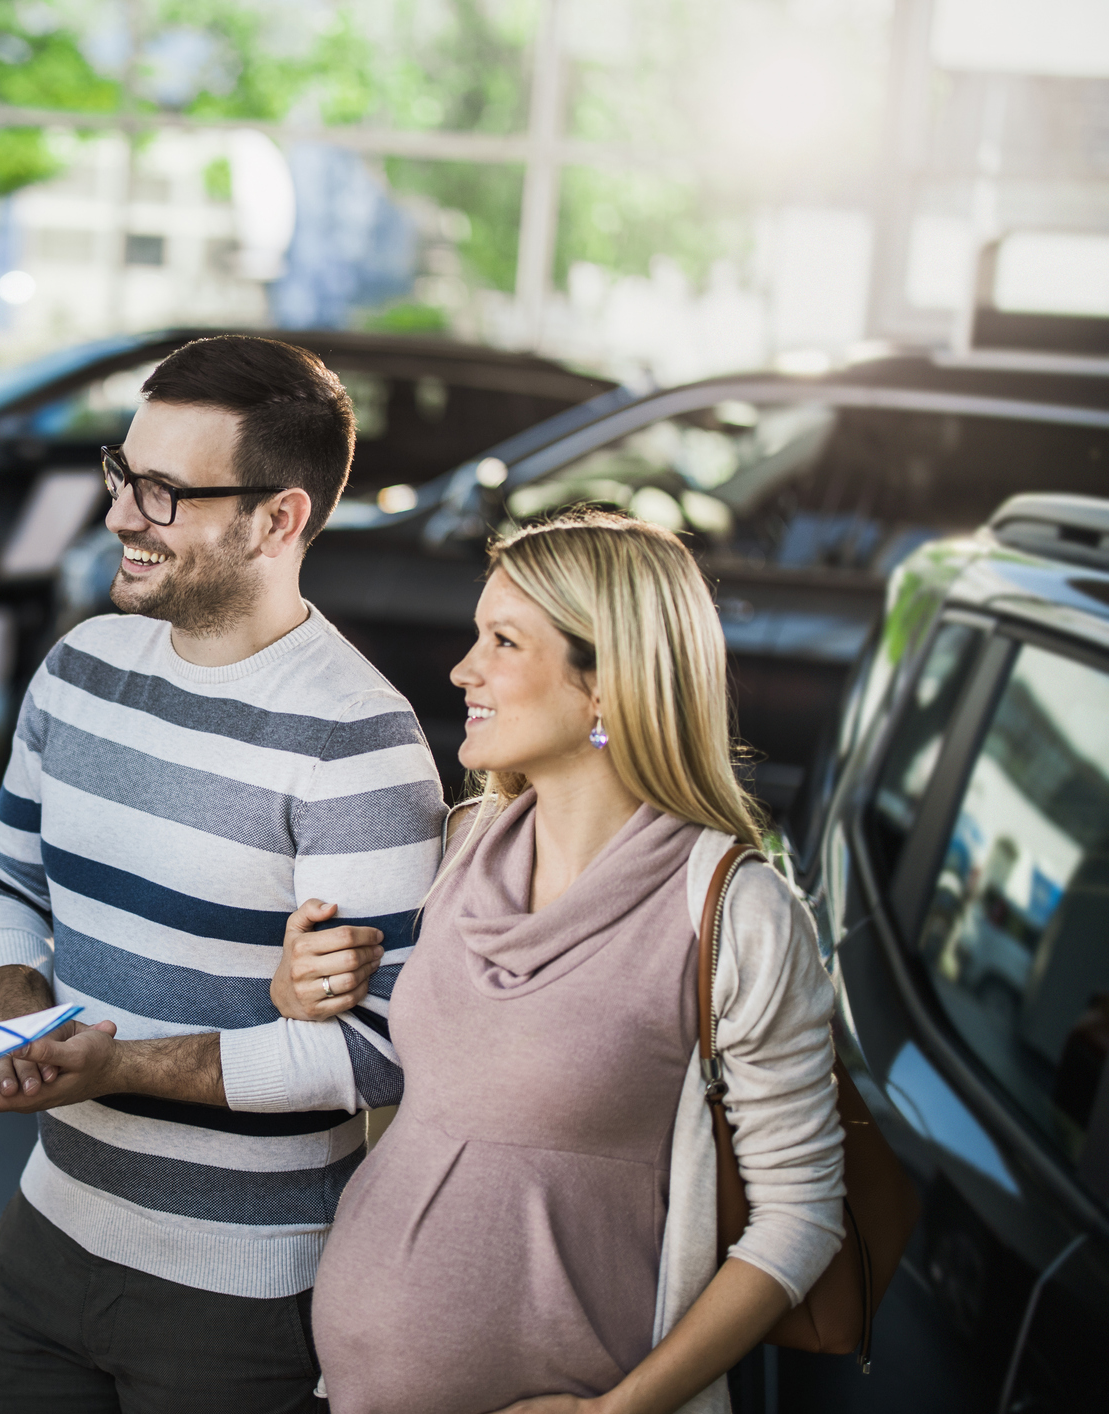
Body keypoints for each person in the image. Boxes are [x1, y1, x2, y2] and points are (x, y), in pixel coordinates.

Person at [0, 334, 436, 1413]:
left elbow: (373, 1054)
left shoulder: (360, 742)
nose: (121, 514)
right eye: (125, 474)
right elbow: (0, 883)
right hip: (46, 1239)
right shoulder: (77, 669)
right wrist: (22, 1025)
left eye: (165, 492)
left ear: (278, 519)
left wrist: (107, 1066)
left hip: (243, 1302)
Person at [293, 510, 847, 1414]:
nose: (461, 669)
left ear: (606, 687)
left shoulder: (732, 912)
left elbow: (800, 1217)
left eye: (502, 641)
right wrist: (303, 985)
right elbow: (398, 1061)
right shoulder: (459, 847)